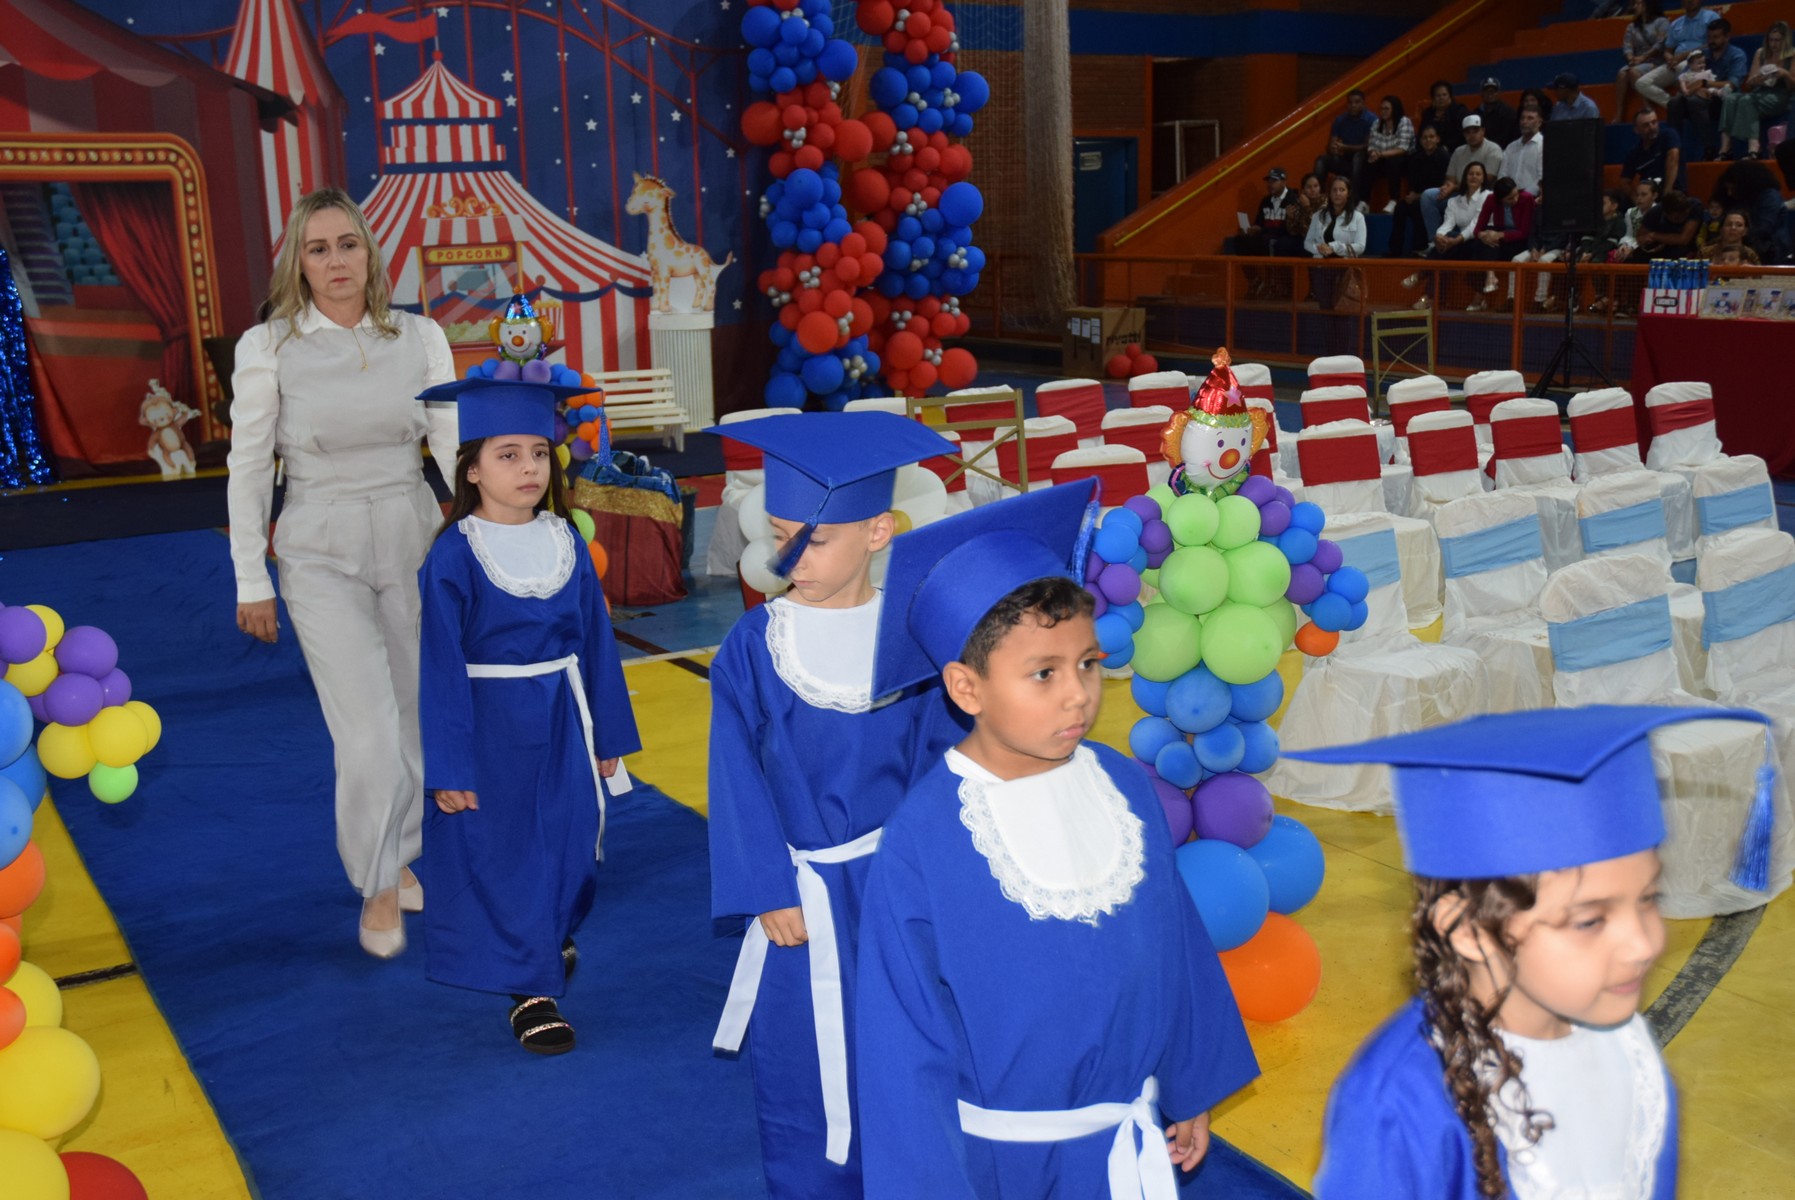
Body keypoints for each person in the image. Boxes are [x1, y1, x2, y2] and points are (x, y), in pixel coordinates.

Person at [856, 478, 1259, 1200]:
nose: (1077, 693)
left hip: (1124, 1143)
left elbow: (1174, 944)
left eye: (1087, 664)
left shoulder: (1122, 786)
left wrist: (1187, 1080)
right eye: (1042, 674)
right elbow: (902, 1047)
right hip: (1002, 1169)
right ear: (965, 687)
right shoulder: (924, 842)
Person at [1296, 705, 1775, 1200]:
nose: (1645, 943)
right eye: (1589, 920)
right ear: (1467, 930)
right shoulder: (1397, 1105)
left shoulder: (1626, 1049)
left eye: (1648, 898)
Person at [704, 411, 966, 1197]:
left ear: (878, 531)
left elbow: (939, 766)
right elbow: (735, 774)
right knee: (803, 1060)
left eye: (812, 539)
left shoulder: (913, 638)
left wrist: (938, 878)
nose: (788, 556)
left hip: (896, 887)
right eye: (780, 533)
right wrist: (766, 889)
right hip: (805, 894)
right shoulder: (756, 644)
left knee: (909, 1041)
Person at [226, 187, 459, 958]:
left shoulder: (421, 336)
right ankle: (378, 883)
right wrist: (248, 577)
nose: (335, 261)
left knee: (414, 715)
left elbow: (452, 443)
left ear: (370, 252)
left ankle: (402, 849)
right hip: (317, 544)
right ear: (298, 261)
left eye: (347, 244)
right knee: (364, 730)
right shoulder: (268, 347)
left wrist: (494, 529)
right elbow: (250, 465)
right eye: (318, 248)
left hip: (412, 531)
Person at [413, 377, 639, 1053]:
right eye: (507, 455)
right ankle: (530, 990)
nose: (528, 469)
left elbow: (595, 643)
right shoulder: (454, 553)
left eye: (538, 453)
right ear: (472, 468)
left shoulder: (564, 540)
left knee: (572, 853)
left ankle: (544, 934)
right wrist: (449, 763)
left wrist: (608, 734)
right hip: (489, 725)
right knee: (508, 855)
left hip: (562, 719)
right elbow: (440, 667)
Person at [1404, 161, 1490, 306]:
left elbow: (1475, 226)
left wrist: (1454, 240)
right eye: (1470, 174)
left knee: (1447, 247)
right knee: (1443, 253)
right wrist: (1439, 236)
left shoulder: (1488, 196)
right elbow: (1447, 223)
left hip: (1478, 241)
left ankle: (1421, 277)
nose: (1474, 177)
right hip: (1458, 243)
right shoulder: (1455, 201)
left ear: (1483, 178)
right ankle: (1430, 298)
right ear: (1465, 177)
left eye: (1478, 174)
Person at [1418, 115, 1503, 249]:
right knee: (1428, 195)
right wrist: (1447, 188)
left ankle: (1455, 239)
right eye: (1467, 132)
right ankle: (1434, 242)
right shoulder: (1459, 151)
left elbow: (1488, 179)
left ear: (1483, 131)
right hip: (1458, 194)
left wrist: (1453, 187)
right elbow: (1450, 178)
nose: (1471, 135)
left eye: (1475, 131)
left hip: (1481, 195)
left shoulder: (1493, 149)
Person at [1667, 19, 1747, 160]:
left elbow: (1732, 84)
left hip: (1722, 99)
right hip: (1696, 95)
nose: (1711, 41)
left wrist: (1704, 84)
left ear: (1727, 37)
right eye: (1709, 37)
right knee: (1674, 102)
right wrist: (1689, 87)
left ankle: (1709, 147)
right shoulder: (1702, 54)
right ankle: (1674, 148)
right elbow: (1683, 77)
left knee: (1694, 101)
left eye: (1716, 37)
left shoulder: (1737, 55)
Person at [1717, 20, 1793, 161]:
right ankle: (1725, 148)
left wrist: (1785, 73)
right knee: (1730, 99)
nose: (1774, 44)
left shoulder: (1792, 55)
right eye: (1771, 40)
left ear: (1785, 40)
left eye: (1778, 40)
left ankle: (1754, 149)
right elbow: (1749, 83)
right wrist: (1757, 80)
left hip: (1779, 95)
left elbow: (1793, 86)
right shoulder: (1761, 53)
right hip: (1759, 91)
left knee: (1747, 100)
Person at [1633, 0, 1719, 110]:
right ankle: (1673, 105)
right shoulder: (1676, 23)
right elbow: (1667, 50)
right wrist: (1669, 59)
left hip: (1700, 62)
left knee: (1683, 66)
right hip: (1677, 64)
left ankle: (1679, 105)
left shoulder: (1711, 17)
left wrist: (1683, 56)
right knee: (1641, 83)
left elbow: (1712, 44)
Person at [1464, 177, 1535, 311]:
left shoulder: (1527, 198)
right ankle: (1490, 276)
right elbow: (1477, 229)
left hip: (1519, 240)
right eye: (1509, 198)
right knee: (1481, 242)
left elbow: (1525, 232)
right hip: (1499, 240)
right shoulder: (1491, 199)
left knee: (1490, 242)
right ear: (1500, 199)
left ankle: (1479, 295)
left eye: (1515, 195)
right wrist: (1483, 236)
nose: (1514, 200)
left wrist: (1499, 235)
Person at [1236, 167, 1301, 298]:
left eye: (1274, 181)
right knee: (1240, 240)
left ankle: (1278, 287)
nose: (1270, 184)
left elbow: (1291, 227)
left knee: (1273, 243)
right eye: (1269, 181)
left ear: (1283, 182)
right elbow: (1260, 222)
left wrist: (1264, 230)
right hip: (1265, 235)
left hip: (1283, 237)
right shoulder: (1265, 201)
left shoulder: (1293, 199)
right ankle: (1255, 281)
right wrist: (1252, 229)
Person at [1305, 176, 1368, 309]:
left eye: (1342, 190)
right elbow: (1307, 243)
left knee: (1343, 310)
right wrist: (1320, 248)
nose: (1338, 193)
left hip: (1345, 269)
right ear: (1329, 193)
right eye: (1334, 190)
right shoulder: (1318, 216)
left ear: (1348, 193)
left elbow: (1361, 246)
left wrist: (1335, 247)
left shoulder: (1358, 217)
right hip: (1321, 269)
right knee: (1325, 308)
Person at [1390, 123, 1451, 257]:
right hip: (1416, 194)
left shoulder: (1444, 157)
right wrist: (1412, 194)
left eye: (1431, 137)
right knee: (1400, 207)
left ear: (1437, 139)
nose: (1428, 140)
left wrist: (1417, 196)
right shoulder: (1416, 158)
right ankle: (1395, 250)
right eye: (1424, 137)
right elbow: (1412, 181)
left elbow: (1441, 184)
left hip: (1436, 197)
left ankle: (1421, 248)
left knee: (1418, 206)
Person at [1711, 159, 1786, 261]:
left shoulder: (1770, 197)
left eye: (1732, 189)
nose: (1729, 193)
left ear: (1744, 185)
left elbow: (1763, 229)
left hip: (1767, 249)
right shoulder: (1738, 199)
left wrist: (1735, 235)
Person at [1316, 88, 1376, 209]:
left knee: (1358, 157)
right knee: (1321, 160)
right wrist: (1332, 148)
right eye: (1350, 102)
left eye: (1356, 102)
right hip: (1343, 159)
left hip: (1364, 160)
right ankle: (1319, 201)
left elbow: (1367, 146)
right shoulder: (1340, 120)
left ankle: (1354, 202)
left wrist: (1345, 147)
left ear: (1363, 104)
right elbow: (1331, 144)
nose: (1353, 105)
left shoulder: (1371, 120)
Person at [1615, 0, 1671, 122]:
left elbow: (1660, 44)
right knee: (1621, 74)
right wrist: (1630, 58)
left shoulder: (1661, 22)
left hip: (1656, 60)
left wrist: (1643, 58)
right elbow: (1627, 46)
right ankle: (1619, 112)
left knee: (1633, 72)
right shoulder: (1632, 26)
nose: (1635, 6)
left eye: (1638, 3)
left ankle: (1647, 108)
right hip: (1638, 61)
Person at [1366, 95, 1416, 212]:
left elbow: (1402, 149)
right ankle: (1364, 201)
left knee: (1394, 161)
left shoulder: (1404, 122)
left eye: (1386, 109)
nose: (1383, 112)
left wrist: (1380, 154)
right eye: (1381, 109)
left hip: (1404, 159)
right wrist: (1373, 153)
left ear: (1395, 109)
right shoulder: (1377, 123)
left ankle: (1394, 200)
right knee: (1367, 161)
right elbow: (1372, 144)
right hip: (1382, 158)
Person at [1620, 107, 1685, 196]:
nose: (1652, 127)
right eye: (1646, 125)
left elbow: (1673, 157)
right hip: (1649, 197)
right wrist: (1637, 200)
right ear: (1637, 130)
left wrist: (1667, 191)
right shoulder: (1634, 153)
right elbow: (1624, 182)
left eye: (1654, 122)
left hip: (1673, 194)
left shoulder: (1668, 135)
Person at [1499, 108, 1546, 197]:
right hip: (1509, 199)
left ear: (1539, 122)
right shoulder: (1511, 147)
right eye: (1522, 118)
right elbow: (1502, 175)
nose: (1524, 122)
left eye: (1530, 118)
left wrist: (1522, 196)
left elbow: (1542, 178)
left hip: (1533, 198)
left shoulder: (1544, 145)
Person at [1417, 80, 1467, 153]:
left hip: (1455, 150)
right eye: (1438, 95)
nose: (1441, 98)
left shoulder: (1459, 111)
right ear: (1433, 98)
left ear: (1450, 96)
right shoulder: (1428, 114)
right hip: (1430, 149)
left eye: (1444, 95)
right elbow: (1422, 134)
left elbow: (1462, 135)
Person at [1470, 77, 1520, 148]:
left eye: (1493, 91)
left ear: (1499, 93)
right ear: (1481, 93)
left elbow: (1512, 137)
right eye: (1486, 91)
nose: (1490, 94)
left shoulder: (1509, 113)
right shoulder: (1475, 114)